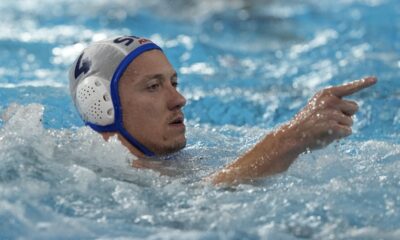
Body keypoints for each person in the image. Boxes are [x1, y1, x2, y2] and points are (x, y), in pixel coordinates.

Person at [69, 35, 377, 185]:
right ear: (102, 105)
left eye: (174, 82)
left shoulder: (172, 157)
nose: (179, 99)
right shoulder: (94, 172)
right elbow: (201, 198)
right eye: (153, 86)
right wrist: (291, 138)